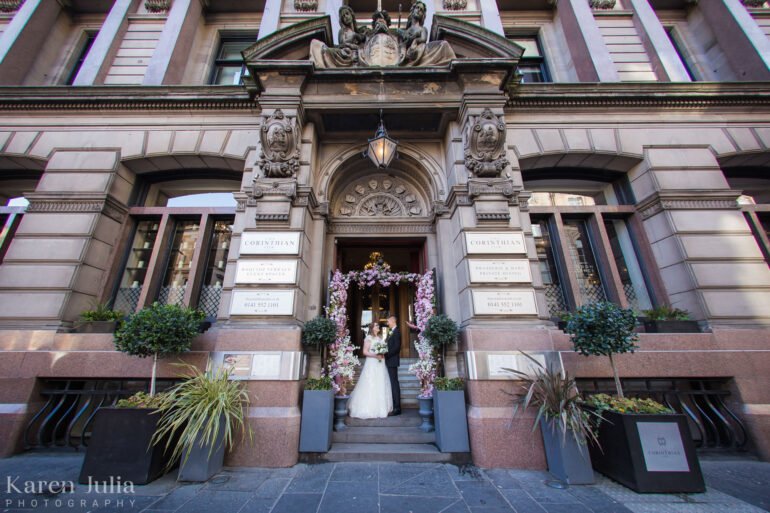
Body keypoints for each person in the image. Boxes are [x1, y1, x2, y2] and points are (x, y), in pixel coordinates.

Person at [348, 323, 393, 419]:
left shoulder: (380, 338)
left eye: (378, 326)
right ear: (372, 328)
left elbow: (383, 349)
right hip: (372, 363)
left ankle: (381, 408)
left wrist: (383, 353)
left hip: (380, 363)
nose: (378, 327)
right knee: (371, 382)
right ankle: (368, 408)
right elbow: (365, 352)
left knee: (380, 383)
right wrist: (375, 355)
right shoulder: (369, 338)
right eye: (376, 326)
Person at [400, 1, 455, 67]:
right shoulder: (407, 30)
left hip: (422, 50)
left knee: (444, 44)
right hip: (411, 53)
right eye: (417, 8)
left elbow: (423, 39)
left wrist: (415, 40)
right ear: (413, 10)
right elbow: (402, 45)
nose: (418, 11)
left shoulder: (422, 28)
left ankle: (453, 65)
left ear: (423, 15)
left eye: (421, 10)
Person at [384, 315, 402, 416]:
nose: (387, 323)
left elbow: (396, 348)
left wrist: (385, 354)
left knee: (394, 383)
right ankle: (394, 405)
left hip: (392, 361)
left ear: (393, 321)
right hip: (389, 360)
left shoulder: (397, 332)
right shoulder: (391, 331)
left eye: (388, 321)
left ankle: (397, 408)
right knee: (392, 383)